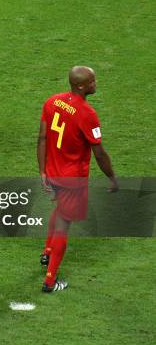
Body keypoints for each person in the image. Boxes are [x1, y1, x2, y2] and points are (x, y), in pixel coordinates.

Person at [37, 66, 118, 292]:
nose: (96, 83)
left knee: (59, 210)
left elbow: (42, 137)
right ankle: (50, 281)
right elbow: (99, 152)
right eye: (92, 81)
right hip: (72, 179)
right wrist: (112, 177)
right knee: (64, 223)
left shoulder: (52, 102)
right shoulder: (87, 114)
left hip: (53, 172)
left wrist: (42, 171)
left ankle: (47, 252)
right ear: (80, 86)